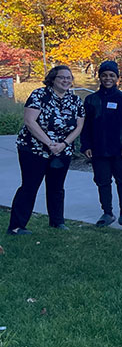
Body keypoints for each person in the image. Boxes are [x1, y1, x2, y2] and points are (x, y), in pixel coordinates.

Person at [7, 66, 85, 235]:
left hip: (62, 150)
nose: (66, 81)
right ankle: (16, 226)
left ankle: (57, 222)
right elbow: (30, 121)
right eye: (61, 77)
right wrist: (50, 143)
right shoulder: (39, 95)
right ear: (52, 79)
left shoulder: (75, 100)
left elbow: (79, 126)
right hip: (34, 150)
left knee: (57, 187)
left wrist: (63, 144)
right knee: (30, 186)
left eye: (68, 78)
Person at [82, 61, 122, 227]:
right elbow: (85, 126)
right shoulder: (91, 100)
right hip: (98, 150)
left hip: (119, 150)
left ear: (117, 79)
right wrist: (86, 146)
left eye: (111, 75)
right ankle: (107, 212)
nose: (108, 78)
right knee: (102, 181)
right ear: (99, 77)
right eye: (104, 75)